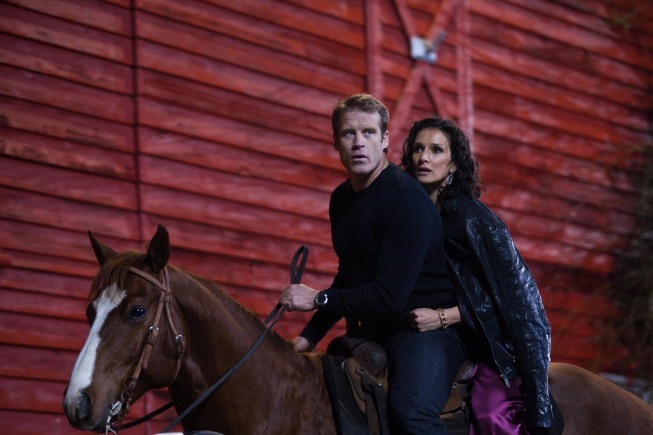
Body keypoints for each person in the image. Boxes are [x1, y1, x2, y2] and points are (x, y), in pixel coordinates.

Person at [279, 94, 466, 434]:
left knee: (412, 415)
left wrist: (317, 298)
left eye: (368, 133)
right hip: (375, 329)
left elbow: (389, 296)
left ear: (384, 140)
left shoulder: (404, 201)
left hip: (425, 330)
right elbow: (349, 275)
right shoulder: (341, 199)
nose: (358, 142)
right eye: (349, 133)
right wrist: (306, 338)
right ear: (336, 142)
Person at [400, 116, 553, 434]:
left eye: (436, 150)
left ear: (454, 164)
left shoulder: (473, 220)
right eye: (418, 148)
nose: (424, 157)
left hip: (483, 347)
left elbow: (525, 309)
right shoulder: (410, 215)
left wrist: (540, 408)